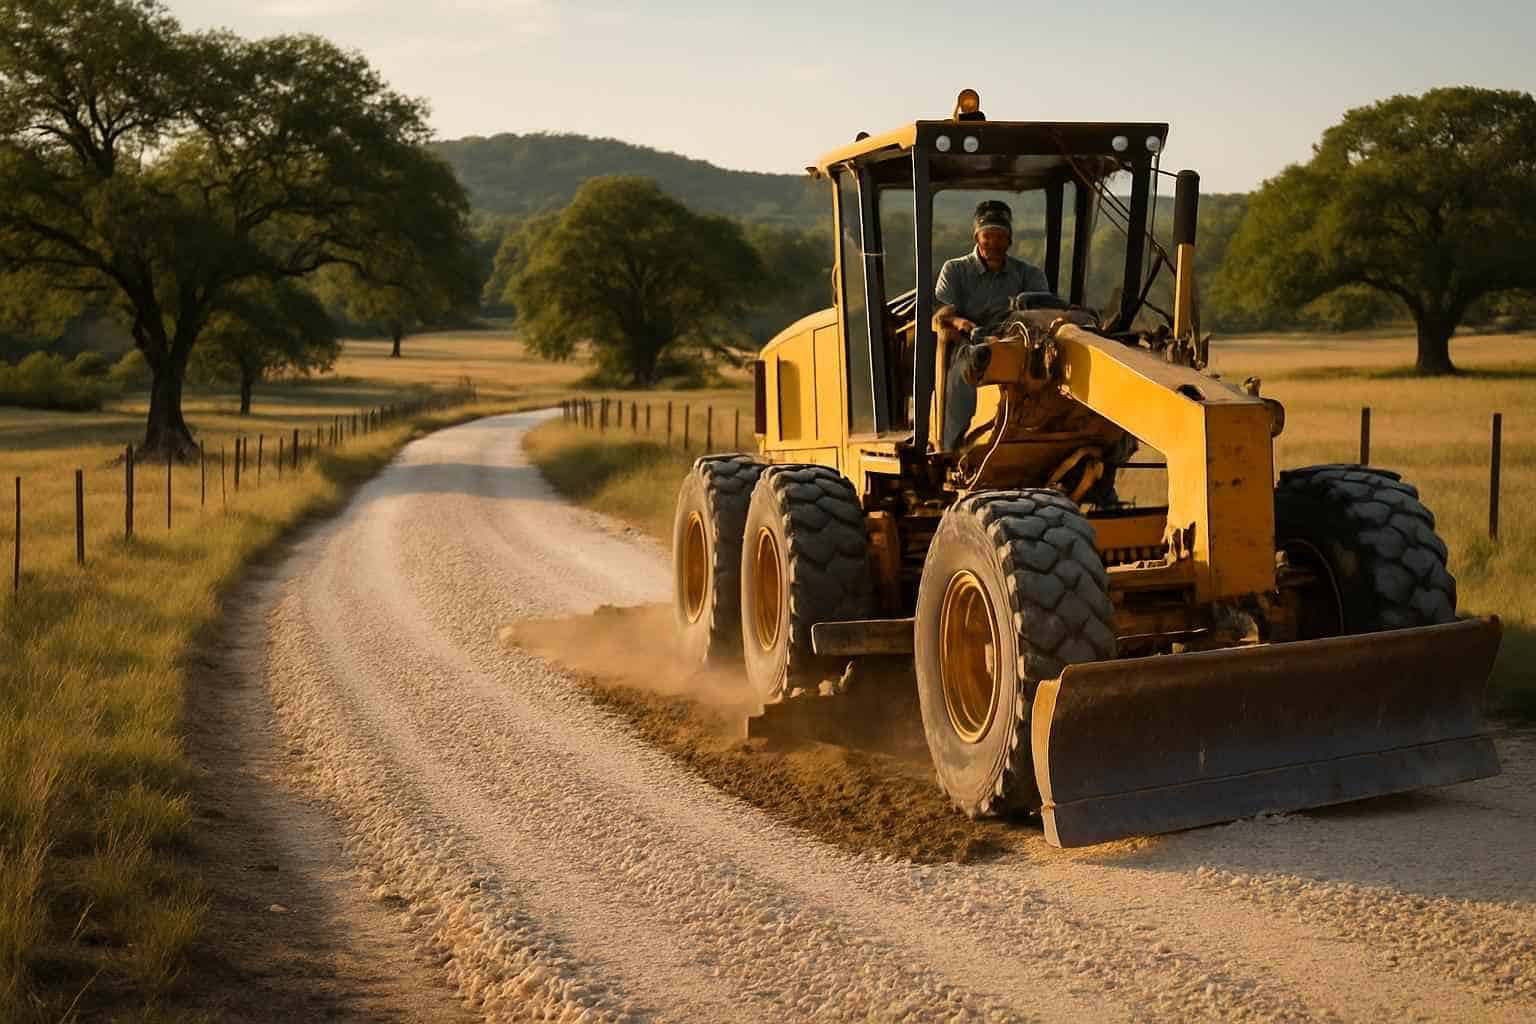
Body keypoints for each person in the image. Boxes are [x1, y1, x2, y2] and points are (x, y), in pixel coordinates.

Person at [933, 200, 1051, 448]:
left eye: (1000, 237)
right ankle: (952, 446)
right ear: (977, 237)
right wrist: (961, 323)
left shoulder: (1029, 274)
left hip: (1021, 347)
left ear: (1009, 240)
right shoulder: (955, 270)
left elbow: (1043, 312)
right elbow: (940, 315)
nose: (994, 243)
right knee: (966, 370)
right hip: (971, 343)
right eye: (988, 236)